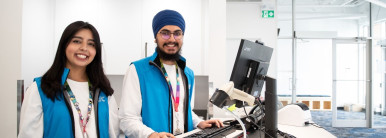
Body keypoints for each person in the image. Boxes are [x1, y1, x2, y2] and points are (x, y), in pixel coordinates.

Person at [119, 9, 223, 138]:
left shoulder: (188, 73)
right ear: (155, 37)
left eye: (177, 33)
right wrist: (151, 134)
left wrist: (200, 123)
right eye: (165, 33)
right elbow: (127, 119)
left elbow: (184, 111)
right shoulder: (137, 70)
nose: (172, 39)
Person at [18, 21, 119, 138]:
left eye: (91, 44)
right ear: (64, 45)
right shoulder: (40, 89)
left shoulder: (103, 91)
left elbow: (113, 133)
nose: (84, 48)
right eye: (77, 41)